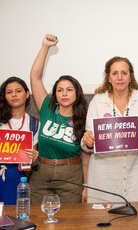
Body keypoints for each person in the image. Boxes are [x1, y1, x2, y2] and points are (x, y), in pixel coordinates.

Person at [81, 56, 138, 203]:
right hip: (103, 175)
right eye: (115, 73)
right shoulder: (97, 101)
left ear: (131, 77)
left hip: (135, 174)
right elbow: (87, 140)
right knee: (102, 221)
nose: (120, 77)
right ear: (108, 78)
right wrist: (88, 140)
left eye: (124, 73)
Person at [29, 34, 88, 204]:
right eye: (60, 90)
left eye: (69, 89)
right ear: (55, 93)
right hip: (41, 174)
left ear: (77, 93)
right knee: (38, 220)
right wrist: (45, 47)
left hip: (71, 175)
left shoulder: (85, 118)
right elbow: (35, 77)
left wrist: (86, 185)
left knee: (70, 222)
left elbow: (86, 156)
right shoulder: (47, 108)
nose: (64, 93)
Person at [0, 77, 39, 205]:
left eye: (18, 91)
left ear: (27, 94)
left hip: (20, 178)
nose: (14, 95)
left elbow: (31, 163)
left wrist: (33, 159)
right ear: (4, 96)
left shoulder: (35, 124)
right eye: (9, 92)